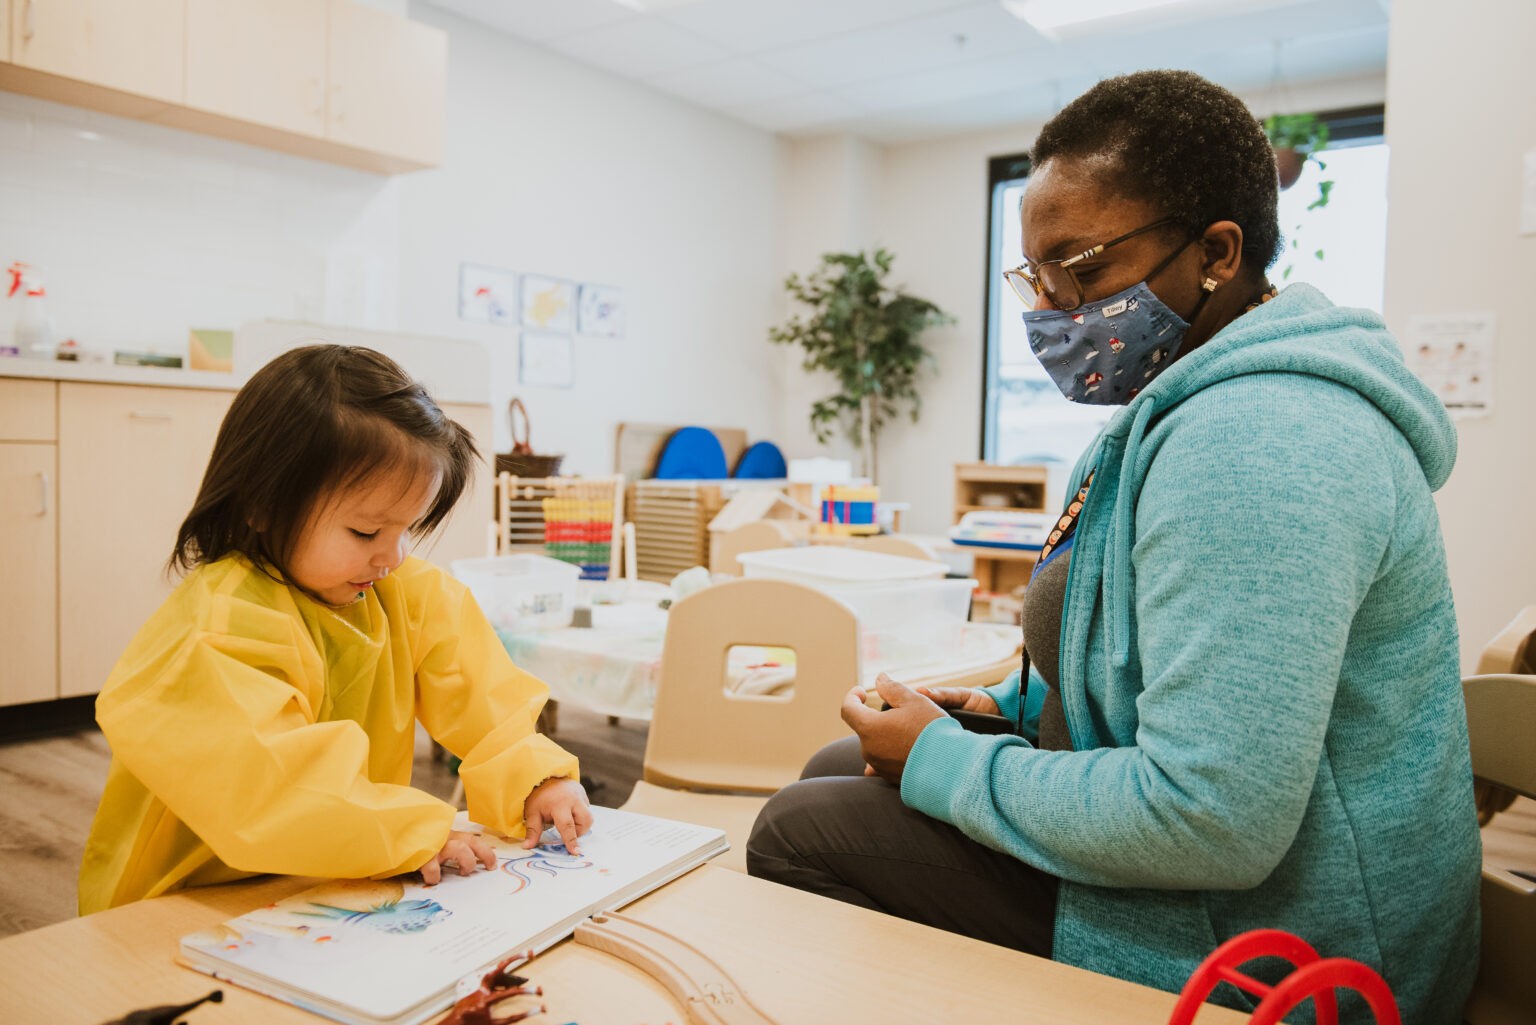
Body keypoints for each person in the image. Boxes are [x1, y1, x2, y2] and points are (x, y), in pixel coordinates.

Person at [748, 70, 1480, 1024]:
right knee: (836, 770)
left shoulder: (1263, 439)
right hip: (1238, 882)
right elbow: (1154, 651)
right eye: (1038, 276)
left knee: (802, 830)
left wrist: (945, 761)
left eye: (1085, 272)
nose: (1054, 310)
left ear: (1217, 251)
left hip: (1285, 944)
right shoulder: (1185, 409)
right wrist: (1017, 707)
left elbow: (1212, 817)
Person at [79, 344, 591, 914]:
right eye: (366, 531)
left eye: (406, 530)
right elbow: (270, 788)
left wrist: (536, 778)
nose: (392, 557)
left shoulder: (409, 594)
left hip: (340, 869)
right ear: (264, 504)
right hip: (194, 895)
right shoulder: (218, 625)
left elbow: (486, 699)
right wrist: (412, 832)